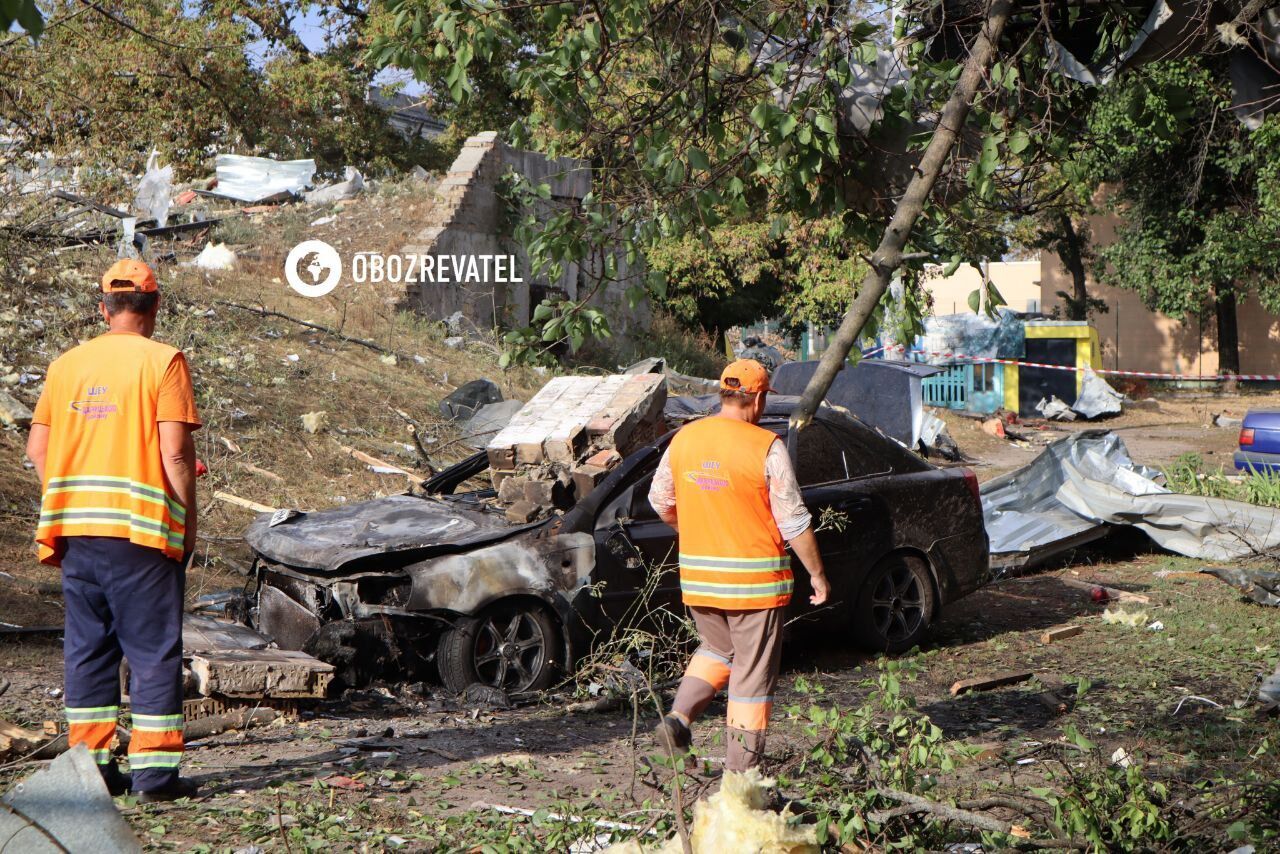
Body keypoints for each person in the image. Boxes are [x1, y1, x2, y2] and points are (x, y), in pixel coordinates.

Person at [26, 259, 201, 802]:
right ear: (155, 307)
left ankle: (92, 773)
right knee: (151, 652)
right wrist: (187, 526)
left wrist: (73, 493)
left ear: (104, 309)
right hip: (141, 534)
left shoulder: (67, 366)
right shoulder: (164, 362)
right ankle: (154, 778)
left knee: (88, 651)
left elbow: (38, 449)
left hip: (76, 533)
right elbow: (174, 452)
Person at [647, 358, 830, 771]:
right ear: (760, 397)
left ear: (722, 393)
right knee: (750, 678)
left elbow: (660, 501)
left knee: (716, 649)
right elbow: (794, 521)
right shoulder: (766, 446)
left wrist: (697, 526)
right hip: (754, 586)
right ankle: (740, 778)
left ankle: (677, 719)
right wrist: (817, 574)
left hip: (699, 580)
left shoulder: (684, 439)